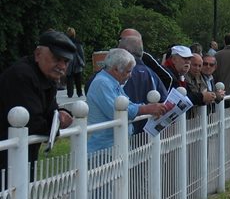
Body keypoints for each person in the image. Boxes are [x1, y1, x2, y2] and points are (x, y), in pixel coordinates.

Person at [0, 30, 77, 173]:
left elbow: (50, 111)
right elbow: (33, 122)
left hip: (19, 155)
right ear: (37, 55)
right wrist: (56, 123)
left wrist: (61, 113)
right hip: (7, 157)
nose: (61, 66)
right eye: (56, 58)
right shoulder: (21, 75)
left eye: (66, 61)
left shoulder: (46, 75)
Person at [86, 48, 167, 154]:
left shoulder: (111, 82)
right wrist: (146, 109)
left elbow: (127, 105)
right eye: (128, 71)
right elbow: (117, 111)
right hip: (103, 150)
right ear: (115, 69)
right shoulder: (102, 83)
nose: (130, 75)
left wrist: (145, 108)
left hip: (112, 147)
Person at [118, 35, 168, 134]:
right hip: (148, 133)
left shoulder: (120, 73)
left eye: (118, 50)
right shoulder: (151, 73)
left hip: (123, 132)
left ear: (125, 51)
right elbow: (164, 100)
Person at [119, 28, 174, 92]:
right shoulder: (116, 56)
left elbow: (167, 77)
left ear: (139, 41)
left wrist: (161, 96)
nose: (121, 42)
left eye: (126, 39)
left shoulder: (145, 57)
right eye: (120, 39)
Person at [65, 27, 86, 98]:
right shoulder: (78, 42)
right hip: (77, 62)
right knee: (78, 78)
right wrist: (83, 62)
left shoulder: (65, 42)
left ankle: (70, 93)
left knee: (69, 78)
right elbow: (81, 53)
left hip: (69, 62)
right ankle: (79, 93)